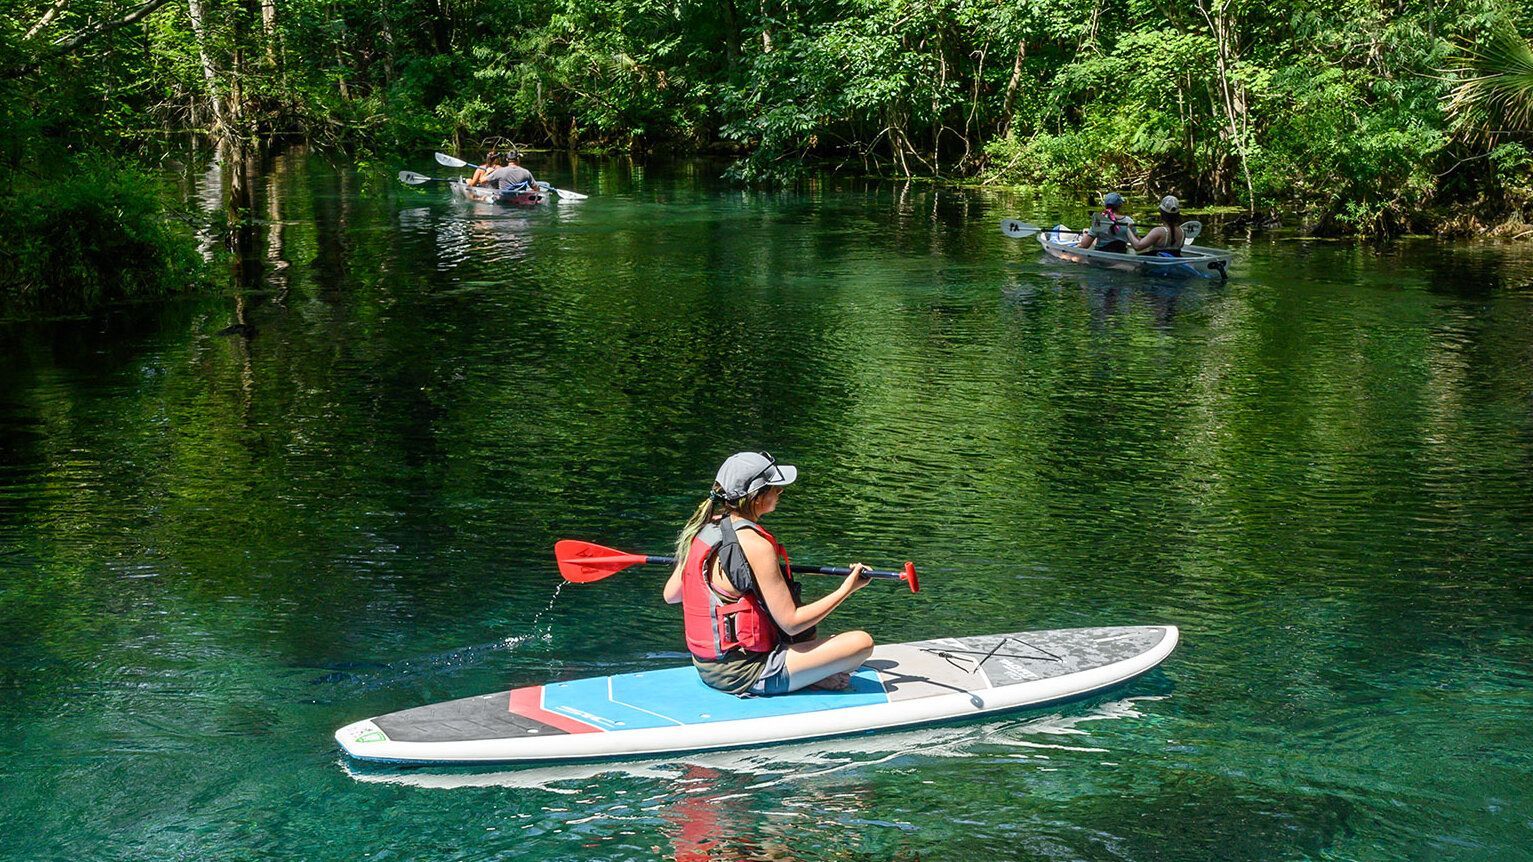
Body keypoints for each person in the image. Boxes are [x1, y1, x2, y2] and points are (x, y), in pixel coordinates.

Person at [662, 452, 875, 697]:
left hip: (707, 666)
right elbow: (792, 623)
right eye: (776, 489)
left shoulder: (704, 529)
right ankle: (807, 678)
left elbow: (671, 595)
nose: (779, 494)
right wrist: (847, 589)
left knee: (815, 637)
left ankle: (810, 675)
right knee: (861, 644)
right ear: (756, 497)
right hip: (744, 673)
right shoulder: (756, 545)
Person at [469, 150, 537, 191]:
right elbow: (536, 189)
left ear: (507, 159)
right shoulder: (526, 172)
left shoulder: (500, 171)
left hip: (503, 200)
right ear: (518, 159)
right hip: (519, 199)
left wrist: (487, 172)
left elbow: (482, 181)